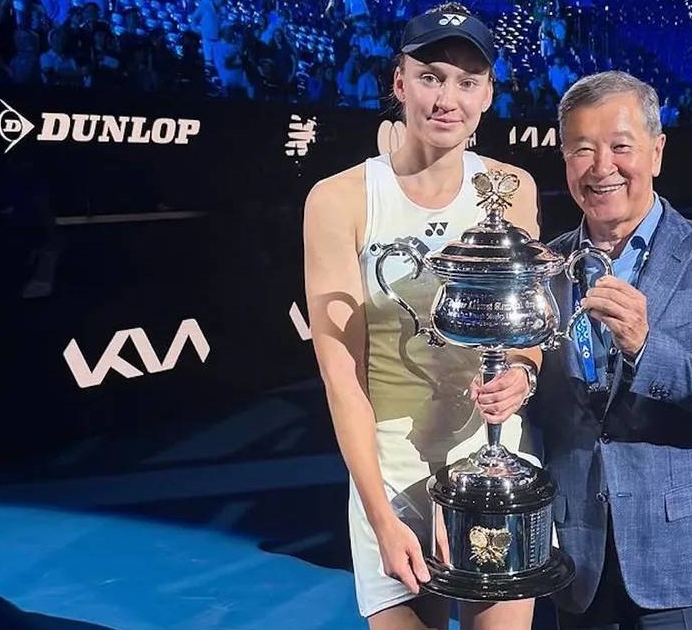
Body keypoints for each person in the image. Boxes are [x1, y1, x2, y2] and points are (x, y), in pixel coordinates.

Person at [302, 4, 541, 629]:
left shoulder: (512, 189)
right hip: (390, 474)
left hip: (493, 463)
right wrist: (380, 516)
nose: (446, 99)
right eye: (430, 76)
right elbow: (342, 377)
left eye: (467, 81)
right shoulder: (339, 199)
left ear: (487, 95)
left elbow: (525, 328)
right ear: (399, 82)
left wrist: (522, 373)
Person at [529, 70, 692, 629]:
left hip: (682, 552)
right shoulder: (546, 269)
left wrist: (646, 346)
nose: (601, 167)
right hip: (576, 555)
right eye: (582, 149)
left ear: (656, 152)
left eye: (620, 147)